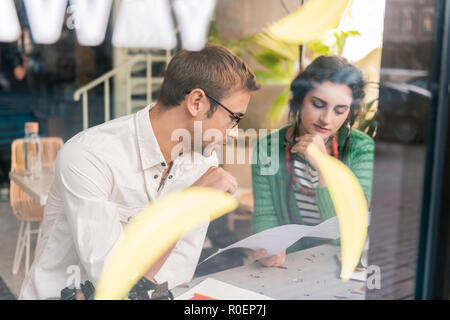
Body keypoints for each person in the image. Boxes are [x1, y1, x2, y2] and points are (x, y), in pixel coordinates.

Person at [19, 44, 260, 299]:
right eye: (234, 117)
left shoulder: (203, 161)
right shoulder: (88, 156)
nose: (234, 132)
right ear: (196, 102)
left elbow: (177, 268)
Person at [251, 55, 374, 267]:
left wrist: (324, 165)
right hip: (287, 267)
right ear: (299, 100)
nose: (326, 119)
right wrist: (268, 247)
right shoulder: (268, 148)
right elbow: (266, 217)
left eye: (340, 110)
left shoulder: (362, 149)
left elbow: (346, 235)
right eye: (318, 104)